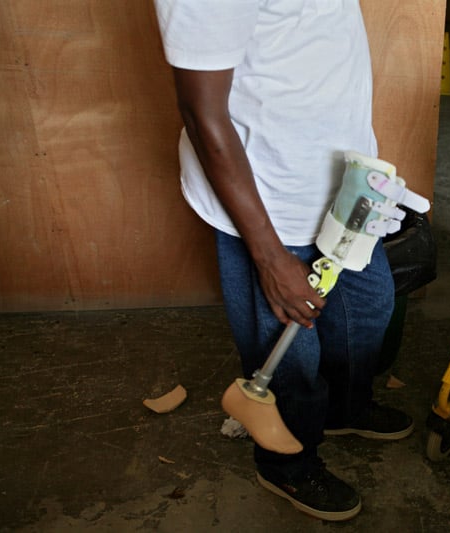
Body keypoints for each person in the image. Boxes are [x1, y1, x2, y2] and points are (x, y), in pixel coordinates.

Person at [153, 0, 414, 522]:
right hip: (270, 200)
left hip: (344, 183)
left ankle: (344, 409)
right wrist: (270, 257)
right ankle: (287, 464)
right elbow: (202, 114)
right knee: (288, 358)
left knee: (367, 311)